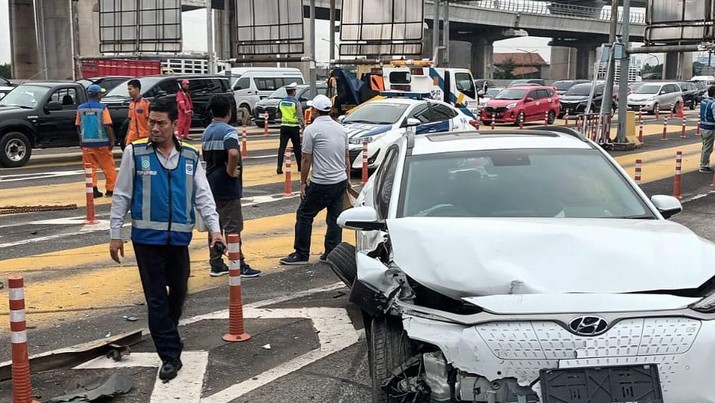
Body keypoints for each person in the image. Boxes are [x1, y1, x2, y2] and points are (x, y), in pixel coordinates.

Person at [109, 98, 225, 381]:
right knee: (157, 299)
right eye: (151, 122)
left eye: (161, 123)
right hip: (147, 239)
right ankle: (170, 355)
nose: (154, 127)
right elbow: (122, 194)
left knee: (180, 290)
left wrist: (215, 228)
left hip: (179, 239)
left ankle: (167, 332)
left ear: (175, 124)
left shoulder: (189, 155)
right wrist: (115, 234)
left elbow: (203, 195)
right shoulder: (134, 153)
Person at [280, 95, 351, 265]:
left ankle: (301, 253)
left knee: (304, 214)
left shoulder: (311, 130)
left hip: (322, 182)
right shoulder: (341, 129)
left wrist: (303, 183)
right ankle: (331, 252)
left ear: (314, 111)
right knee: (334, 217)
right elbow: (346, 157)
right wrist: (347, 180)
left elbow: (306, 159)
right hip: (339, 180)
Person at [200, 95, 261, 278]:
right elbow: (233, 153)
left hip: (210, 183)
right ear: (229, 112)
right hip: (227, 186)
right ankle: (238, 263)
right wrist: (230, 170)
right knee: (233, 227)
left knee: (215, 226)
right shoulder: (228, 131)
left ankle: (216, 263)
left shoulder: (207, 132)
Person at [75, 84, 117, 198]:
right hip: (102, 143)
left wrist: (81, 140)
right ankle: (110, 189)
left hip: (87, 143)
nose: (101, 96)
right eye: (100, 93)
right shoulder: (102, 108)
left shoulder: (81, 108)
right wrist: (112, 140)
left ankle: (93, 189)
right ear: (97, 94)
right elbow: (107, 126)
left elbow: (78, 126)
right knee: (108, 167)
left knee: (90, 168)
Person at [276, 82, 304, 174]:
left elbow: (278, 113)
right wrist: (303, 126)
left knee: (282, 148)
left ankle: (279, 167)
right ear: (293, 92)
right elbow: (300, 116)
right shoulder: (296, 102)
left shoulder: (281, 102)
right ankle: (300, 166)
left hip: (284, 127)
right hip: (294, 127)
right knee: (297, 148)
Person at [124, 79, 151, 146]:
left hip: (144, 136)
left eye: (130, 89)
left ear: (137, 89)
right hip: (132, 136)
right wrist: (127, 135)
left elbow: (150, 120)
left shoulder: (145, 103)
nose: (129, 91)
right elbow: (130, 121)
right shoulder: (131, 104)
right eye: (128, 89)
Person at [700, 85, 715, 173]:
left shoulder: (704, 101)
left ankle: (703, 163)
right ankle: (704, 166)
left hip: (703, 127)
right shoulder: (713, 103)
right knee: (708, 148)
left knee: (705, 146)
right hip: (710, 128)